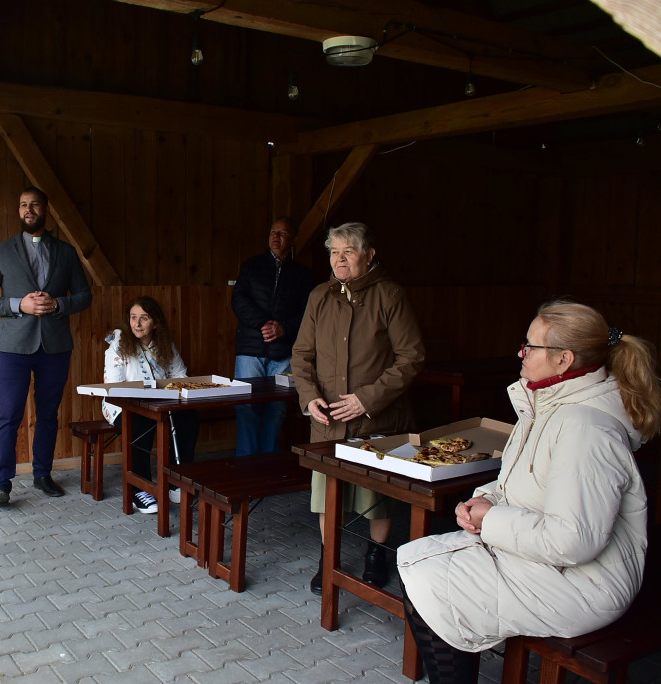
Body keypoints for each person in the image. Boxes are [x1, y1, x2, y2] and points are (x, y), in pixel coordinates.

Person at [396, 301, 658, 684]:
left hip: (586, 582)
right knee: (416, 562)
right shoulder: (545, 404)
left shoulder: (586, 428)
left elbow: (574, 540)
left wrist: (492, 520)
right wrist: (485, 500)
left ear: (563, 359)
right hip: (548, 561)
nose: (521, 352)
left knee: (430, 582)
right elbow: (516, 481)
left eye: (530, 345)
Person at [291, 222, 424, 595]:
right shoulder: (319, 296)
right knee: (326, 493)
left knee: (376, 497)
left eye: (348, 251)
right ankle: (327, 557)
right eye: (334, 252)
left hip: (377, 418)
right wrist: (308, 396)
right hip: (328, 419)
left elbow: (411, 357)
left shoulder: (390, 295)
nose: (339, 259)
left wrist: (367, 399)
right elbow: (302, 355)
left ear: (369, 255)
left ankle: (376, 555)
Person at [0, 187, 93, 507]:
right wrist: (18, 304)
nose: (29, 210)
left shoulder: (66, 253)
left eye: (35, 205)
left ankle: (42, 474)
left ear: (46, 210)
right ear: (19, 211)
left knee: (48, 415)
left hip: (55, 347)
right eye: (23, 205)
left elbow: (84, 296)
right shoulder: (1, 251)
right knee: (9, 414)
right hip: (13, 347)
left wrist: (58, 304)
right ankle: (1, 483)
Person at [102, 296, 200, 513]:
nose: (137, 324)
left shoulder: (164, 344)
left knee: (189, 419)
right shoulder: (118, 345)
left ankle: (177, 482)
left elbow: (180, 374)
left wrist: (168, 393)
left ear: (155, 322)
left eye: (143, 318)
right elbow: (114, 386)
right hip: (121, 405)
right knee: (139, 425)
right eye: (133, 318)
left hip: (160, 404)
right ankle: (140, 489)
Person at [232, 217, 313, 456]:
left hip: (283, 351)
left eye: (283, 234)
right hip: (250, 349)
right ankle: (246, 463)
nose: (276, 238)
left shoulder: (303, 275)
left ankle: (268, 461)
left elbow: (307, 313)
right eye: (273, 232)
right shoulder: (252, 266)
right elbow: (238, 300)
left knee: (276, 409)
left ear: (294, 240)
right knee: (246, 405)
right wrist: (263, 324)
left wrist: (283, 328)